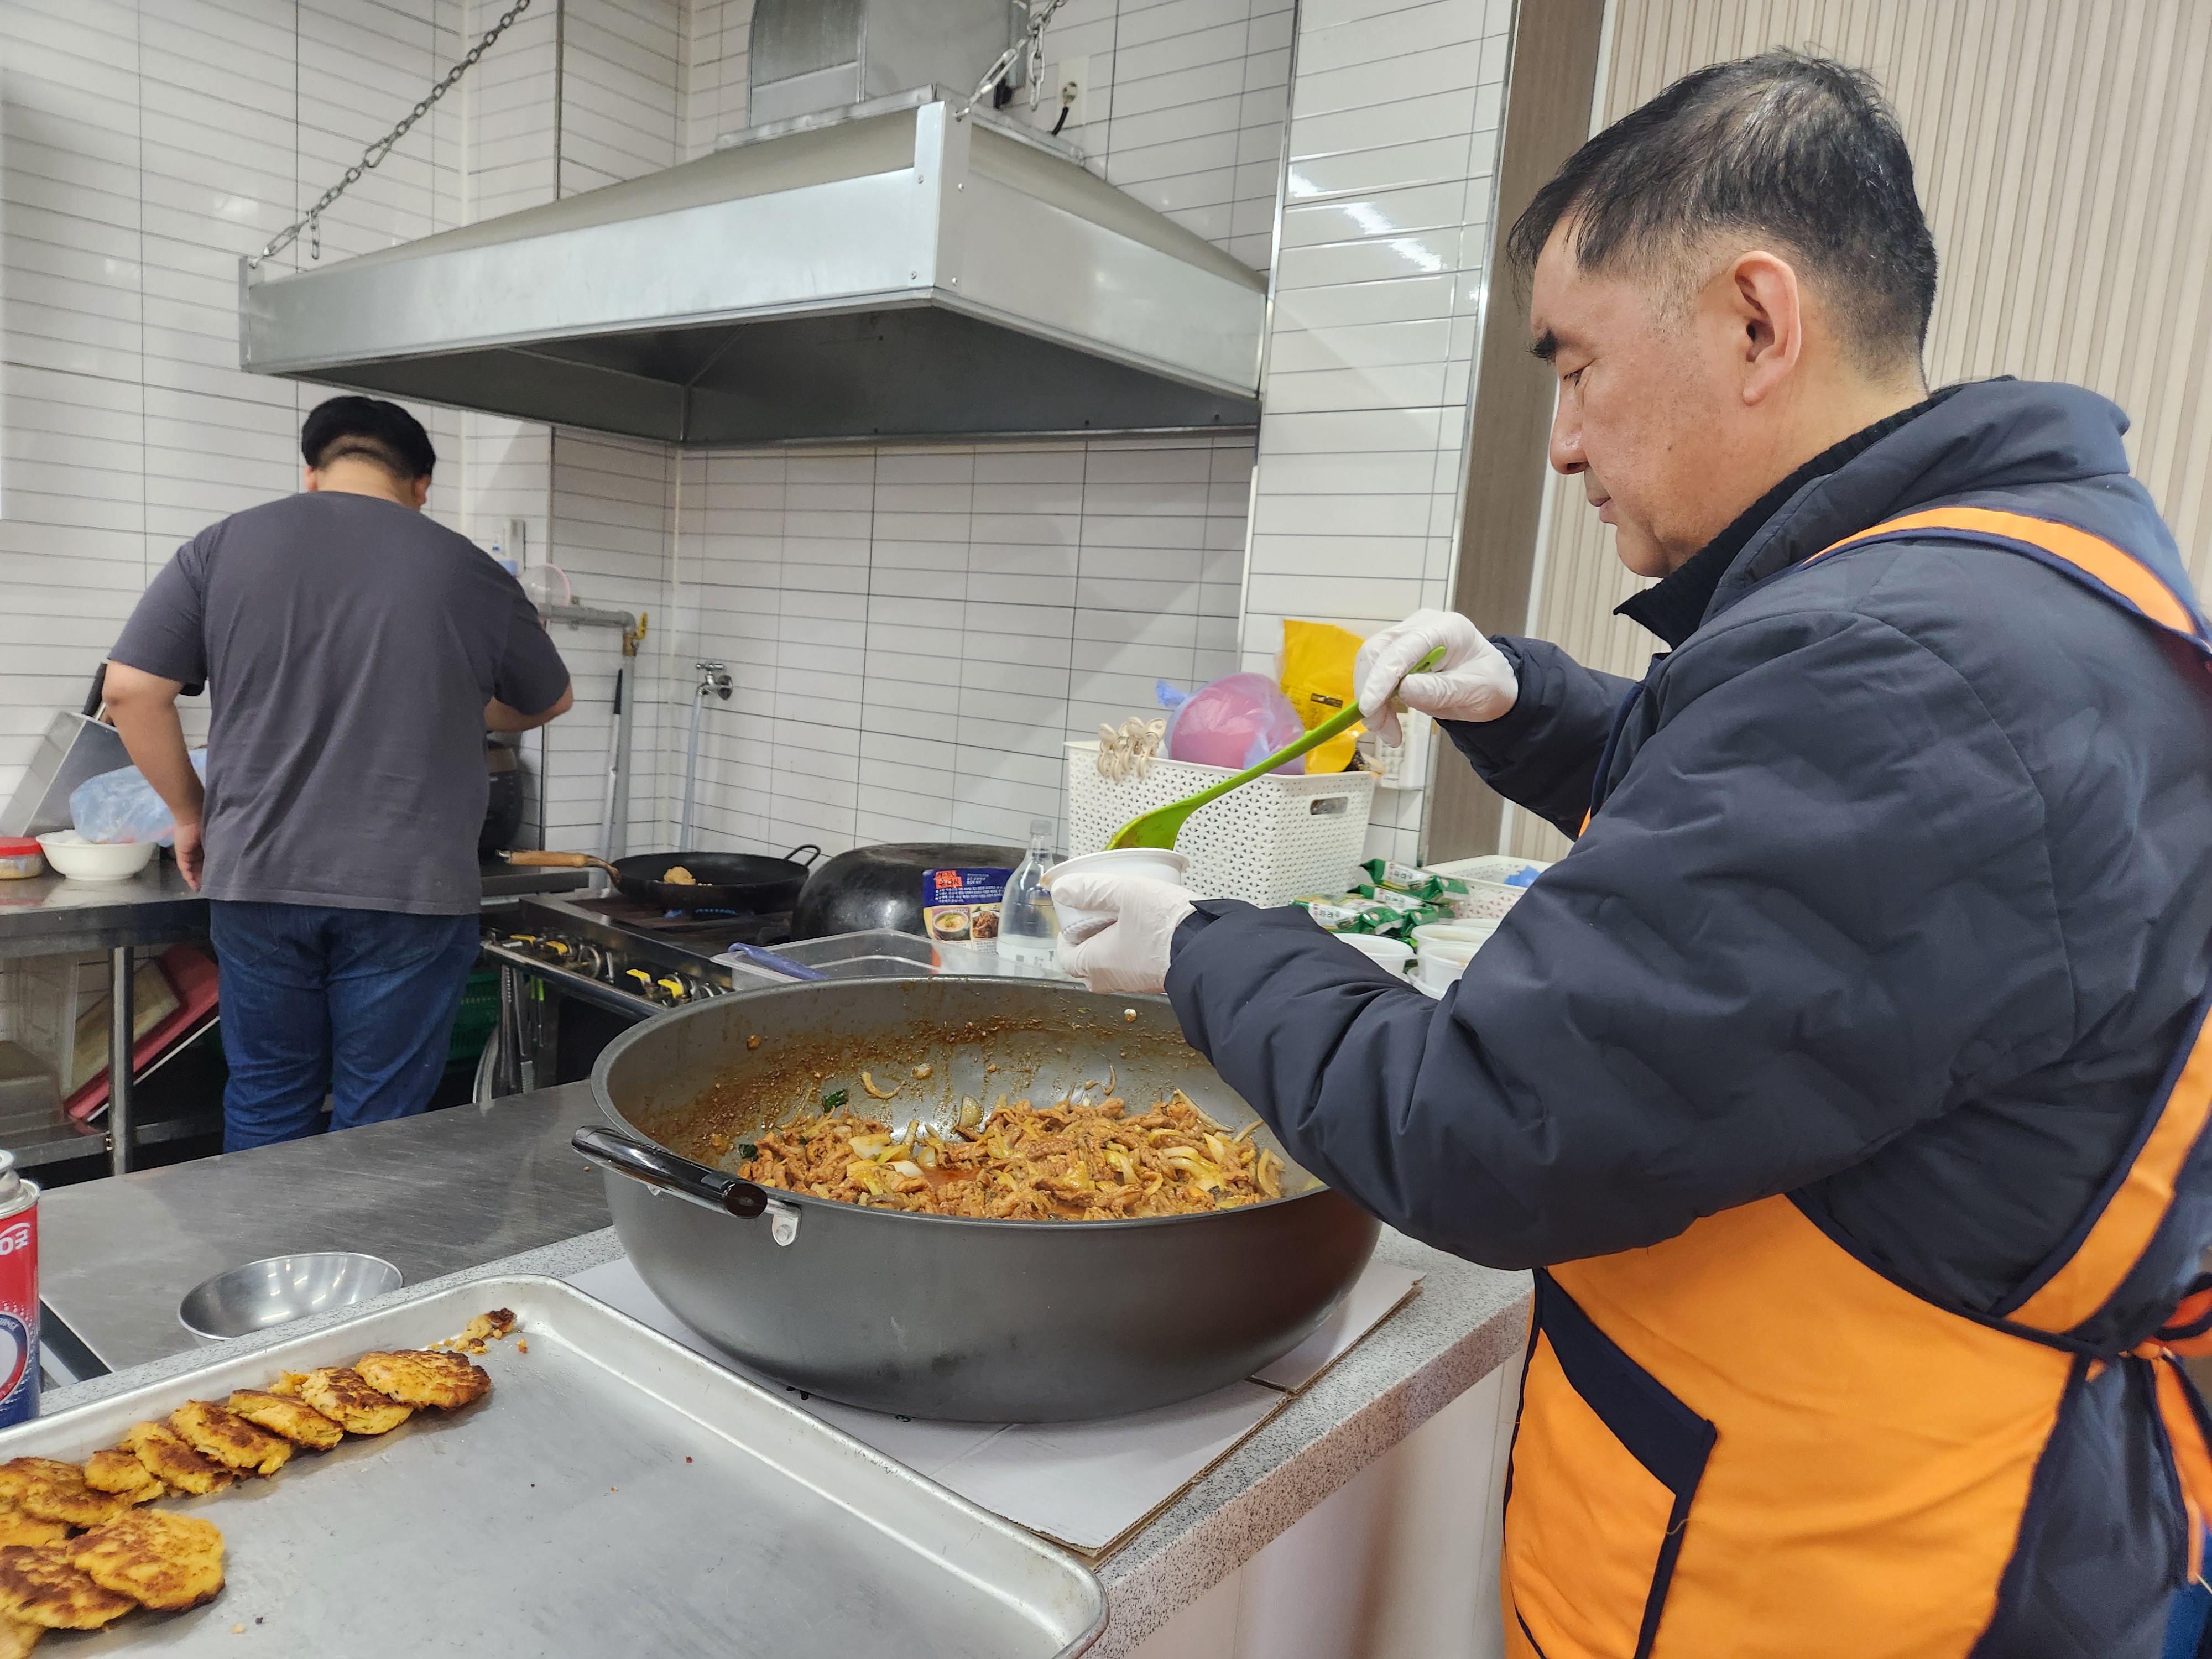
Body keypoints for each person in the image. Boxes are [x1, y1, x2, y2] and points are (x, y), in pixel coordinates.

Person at [1051, 51, 2212, 1658]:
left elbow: (1481, 1123)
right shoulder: (1998, 594)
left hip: (1850, 1582)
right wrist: (1526, 704)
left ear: (1755, 323)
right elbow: (1765, 880)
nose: (1563, 443)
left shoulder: (1902, 673)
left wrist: (1200, 942)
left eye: (1579, 366)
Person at [104, 396, 574, 1151]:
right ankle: (366, 1235)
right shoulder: (468, 567)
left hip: (259, 873)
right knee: (380, 1123)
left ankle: (260, 1237)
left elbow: (129, 691)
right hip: (410, 886)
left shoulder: (223, 546)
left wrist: (193, 815)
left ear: (313, 473)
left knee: (266, 1095)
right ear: (421, 485)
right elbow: (549, 699)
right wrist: (453, 701)